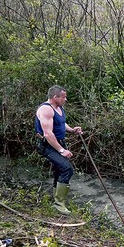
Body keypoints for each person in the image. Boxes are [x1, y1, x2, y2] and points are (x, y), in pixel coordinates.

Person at [35, 85, 82, 215]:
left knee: (59, 169)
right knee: (66, 169)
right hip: (48, 146)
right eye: (63, 97)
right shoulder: (46, 110)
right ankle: (59, 204)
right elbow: (48, 134)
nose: (65, 99)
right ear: (55, 97)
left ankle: (56, 199)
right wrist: (62, 150)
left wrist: (72, 130)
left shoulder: (59, 107)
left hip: (58, 143)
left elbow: (61, 123)